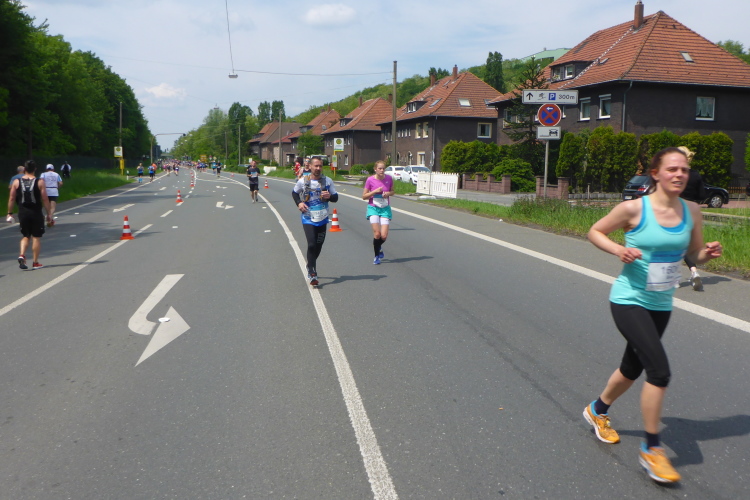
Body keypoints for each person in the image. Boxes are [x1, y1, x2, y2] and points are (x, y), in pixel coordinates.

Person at [583, 147, 722, 484]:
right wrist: (619, 249)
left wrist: (706, 254)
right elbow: (595, 231)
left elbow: (694, 255)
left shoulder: (692, 210)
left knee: (632, 368)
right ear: (656, 174)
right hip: (629, 298)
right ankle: (652, 449)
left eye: (684, 170)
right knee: (659, 371)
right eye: (672, 169)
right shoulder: (634, 209)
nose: (679, 174)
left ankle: (597, 410)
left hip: (661, 302)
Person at [292, 157, 339, 286]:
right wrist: (299, 203)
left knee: (318, 245)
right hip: (308, 217)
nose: (318, 168)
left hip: (322, 218)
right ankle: (312, 272)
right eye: (316, 166)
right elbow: (294, 193)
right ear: (310, 166)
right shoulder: (303, 181)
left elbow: (336, 197)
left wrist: (330, 196)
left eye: (320, 166)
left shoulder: (327, 181)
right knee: (312, 244)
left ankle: (310, 264)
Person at [7, 160, 53, 270]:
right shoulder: (40, 182)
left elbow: (12, 198)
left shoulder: (16, 182)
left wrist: (10, 213)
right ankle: (35, 262)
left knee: (25, 235)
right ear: (35, 169)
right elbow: (45, 199)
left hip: (23, 212)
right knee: (36, 237)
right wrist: (49, 214)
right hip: (36, 212)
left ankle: (22, 254)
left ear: (24, 169)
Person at [676, 146, 706, 291]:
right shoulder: (695, 175)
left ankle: (675, 277)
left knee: (675, 244)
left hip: (676, 210)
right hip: (692, 212)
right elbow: (702, 195)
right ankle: (694, 271)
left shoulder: (676, 175)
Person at [362, 160, 394, 264]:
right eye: (379, 168)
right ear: (375, 169)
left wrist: (388, 193)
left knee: (383, 236)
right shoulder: (370, 180)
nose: (382, 170)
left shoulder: (389, 178)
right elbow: (364, 196)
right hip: (373, 208)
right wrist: (374, 191)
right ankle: (376, 256)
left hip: (385, 208)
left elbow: (393, 191)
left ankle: (378, 246)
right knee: (377, 234)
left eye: (383, 168)